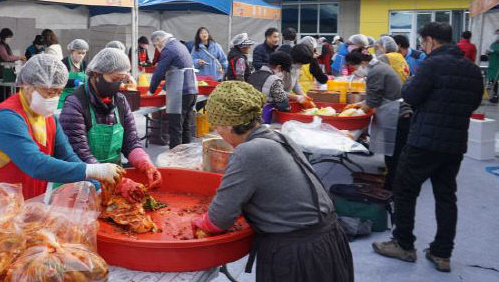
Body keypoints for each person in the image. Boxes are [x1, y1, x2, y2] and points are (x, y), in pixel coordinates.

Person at [192, 82, 353, 282]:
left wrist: (196, 221)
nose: (219, 135)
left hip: (298, 255)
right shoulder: (278, 137)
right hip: (328, 242)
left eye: (217, 128)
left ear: (229, 125)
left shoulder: (247, 152)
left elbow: (219, 219)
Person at [373, 23, 483, 273]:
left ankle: (403, 244)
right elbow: (474, 102)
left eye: (423, 42)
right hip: (454, 143)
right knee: (446, 196)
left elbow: (410, 95)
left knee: (404, 188)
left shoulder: (432, 64)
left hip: (424, 140)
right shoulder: (471, 69)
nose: (422, 46)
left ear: (431, 41)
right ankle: (442, 253)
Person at [0, 54, 123, 198]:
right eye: (49, 92)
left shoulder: (48, 118)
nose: (54, 98)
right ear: (27, 86)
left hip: (23, 207)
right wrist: (93, 170)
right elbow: (35, 164)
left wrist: (97, 186)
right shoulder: (6, 118)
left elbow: (68, 156)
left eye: (59, 92)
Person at [60, 48, 162, 190]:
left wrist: (145, 163)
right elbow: (78, 152)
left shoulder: (120, 101)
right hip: (81, 186)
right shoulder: (76, 103)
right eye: (114, 79)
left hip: (113, 182)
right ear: (96, 74)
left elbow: (131, 141)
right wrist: (112, 178)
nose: (117, 85)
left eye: (121, 80)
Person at [343, 49, 406, 190]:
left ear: (364, 63)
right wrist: (359, 105)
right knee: (393, 153)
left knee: (394, 154)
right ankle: (391, 181)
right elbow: (374, 95)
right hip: (392, 108)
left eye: (355, 67)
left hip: (395, 112)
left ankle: (392, 186)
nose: (355, 71)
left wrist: (353, 114)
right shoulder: (379, 67)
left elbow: (372, 101)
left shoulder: (376, 72)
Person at [149, 31, 197, 149]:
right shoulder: (180, 45)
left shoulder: (169, 49)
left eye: (155, 45)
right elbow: (176, 69)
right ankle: (186, 157)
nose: (156, 48)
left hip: (181, 92)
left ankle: (175, 159)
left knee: (175, 128)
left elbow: (159, 72)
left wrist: (151, 90)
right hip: (191, 90)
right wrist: (164, 88)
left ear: (160, 40)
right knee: (185, 126)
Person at [0, 28, 25, 103]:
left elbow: (10, 56)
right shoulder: (0, 46)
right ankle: (0, 106)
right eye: (9, 37)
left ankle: (5, 105)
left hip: (4, 72)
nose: (10, 39)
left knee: (6, 91)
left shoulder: (6, 45)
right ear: (5, 37)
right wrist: (19, 57)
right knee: (1, 92)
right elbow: (6, 57)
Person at [59, 39, 89, 107]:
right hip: (63, 97)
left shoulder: (83, 64)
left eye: (83, 53)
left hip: (77, 97)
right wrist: (74, 82)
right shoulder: (64, 63)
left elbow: (86, 78)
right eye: (79, 53)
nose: (81, 55)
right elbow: (59, 82)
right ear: (72, 51)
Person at [487, 29, 499, 103]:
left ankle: (496, 96)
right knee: (492, 81)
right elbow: (489, 52)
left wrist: (495, 52)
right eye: (496, 34)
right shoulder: (492, 44)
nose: (496, 36)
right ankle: (494, 95)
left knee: (496, 81)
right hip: (492, 64)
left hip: (497, 65)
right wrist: (488, 52)